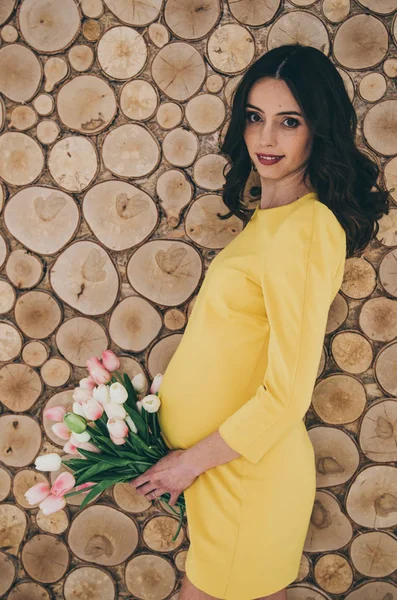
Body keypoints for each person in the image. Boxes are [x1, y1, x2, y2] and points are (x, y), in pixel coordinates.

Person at [129, 43, 390, 600]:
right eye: (255, 117)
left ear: (318, 131)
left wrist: (185, 465)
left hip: (246, 479)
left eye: (288, 122)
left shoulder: (309, 227)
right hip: (221, 476)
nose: (266, 139)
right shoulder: (268, 224)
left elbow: (287, 394)